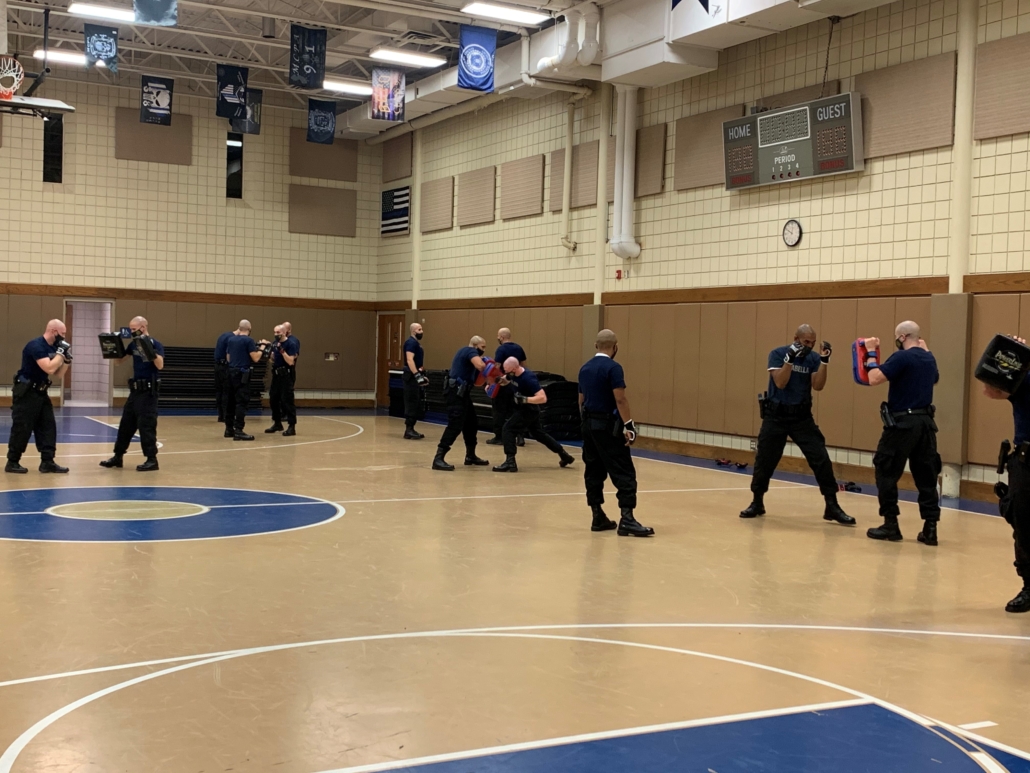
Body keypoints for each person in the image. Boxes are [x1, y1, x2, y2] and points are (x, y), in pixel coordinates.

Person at [740, 324, 854, 525]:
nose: (809, 346)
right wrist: (789, 360)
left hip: (801, 417)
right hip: (776, 416)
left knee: (820, 458)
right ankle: (757, 501)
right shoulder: (777, 354)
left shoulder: (812, 359)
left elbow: (818, 386)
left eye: (812, 342)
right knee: (765, 459)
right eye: (805, 342)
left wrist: (824, 362)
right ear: (796, 338)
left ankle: (832, 505)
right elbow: (780, 382)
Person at [860, 321, 941, 545]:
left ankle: (891, 524)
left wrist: (870, 354)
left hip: (902, 424)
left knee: (886, 470)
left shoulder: (901, 357)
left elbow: (874, 378)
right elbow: (934, 379)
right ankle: (930, 528)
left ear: (902, 337)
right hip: (926, 424)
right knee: (927, 476)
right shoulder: (929, 357)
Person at [577, 330, 653, 537]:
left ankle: (597, 515)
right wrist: (629, 425)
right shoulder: (613, 368)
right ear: (615, 346)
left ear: (596, 345)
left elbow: (581, 400)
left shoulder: (584, 368)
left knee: (593, 470)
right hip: (607, 427)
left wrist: (585, 425)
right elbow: (620, 399)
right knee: (623, 470)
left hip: (588, 425)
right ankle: (627, 518)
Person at [979, 335, 1030, 613]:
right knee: (1024, 524)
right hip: (1026, 461)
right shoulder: (1025, 372)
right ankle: (1029, 585)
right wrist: (1006, 358)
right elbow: (990, 390)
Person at [6, 319, 72, 474]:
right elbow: (49, 368)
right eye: (62, 334)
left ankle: (47, 462)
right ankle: (12, 461)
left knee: (48, 427)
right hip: (27, 393)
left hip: (41, 392)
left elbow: (59, 373)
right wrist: (60, 355)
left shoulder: (54, 348)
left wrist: (67, 359)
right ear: (54, 331)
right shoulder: (36, 346)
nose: (63, 337)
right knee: (22, 428)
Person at [100, 316, 164, 472]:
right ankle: (118, 456)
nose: (132, 332)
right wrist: (113, 347)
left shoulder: (155, 343)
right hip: (135, 391)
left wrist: (150, 350)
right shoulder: (134, 344)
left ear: (143, 327)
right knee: (125, 425)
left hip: (148, 392)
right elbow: (118, 361)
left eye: (134, 329)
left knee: (146, 426)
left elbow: (160, 365)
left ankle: (151, 459)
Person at [492, 357, 575, 473]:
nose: (506, 373)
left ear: (515, 368)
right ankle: (564, 455)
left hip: (528, 410)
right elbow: (508, 379)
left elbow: (543, 398)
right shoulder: (512, 373)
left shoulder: (528, 378)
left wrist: (525, 400)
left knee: (507, 429)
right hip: (523, 409)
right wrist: (501, 381)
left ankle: (510, 461)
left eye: (508, 371)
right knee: (539, 434)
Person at [432, 336, 491, 471]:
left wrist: (490, 380)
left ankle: (470, 455)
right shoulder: (469, 351)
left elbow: (477, 382)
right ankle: (438, 458)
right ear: (475, 346)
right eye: (482, 347)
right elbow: (481, 366)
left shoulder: (470, 357)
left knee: (471, 423)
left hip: (463, 393)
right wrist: (490, 367)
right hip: (455, 393)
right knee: (455, 423)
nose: (483, 350)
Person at [224, 320, 267, 441]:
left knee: (230, 402)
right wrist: (262, 347)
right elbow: (256, 358)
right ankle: (239, 430)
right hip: (242, 375)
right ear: (249, 329)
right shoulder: (249, 340)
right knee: (241, 402)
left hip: (230, 372)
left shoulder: (231, 339)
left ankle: (228, 429)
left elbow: (228, 357)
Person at [487, 328, 526, 448]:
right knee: (515, 409)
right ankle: (520, 435)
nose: (497, 338)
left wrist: (493, 382)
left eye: (498, 336)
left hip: (503, 384)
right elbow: (523, 365)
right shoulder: (519, 348)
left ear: (502, 337)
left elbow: (497, 367)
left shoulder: (501, 349)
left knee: (499, 409)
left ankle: (499, 436)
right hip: (516, 383)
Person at [265, 324, 299, 437]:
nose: (276, 335)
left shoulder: (291, 344)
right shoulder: (274, 343)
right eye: (274, 332)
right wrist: (269, 354)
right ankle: (277, 422)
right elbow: (273, 360)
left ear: (284, 332)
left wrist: (282, 351)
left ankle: (291, 426)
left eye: (278, 332)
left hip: (286, 375)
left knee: (287, 400)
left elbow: (290, 361)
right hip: (276, 375)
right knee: (273, 399)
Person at [401, 322, 427, 440]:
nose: (421, 332)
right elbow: (410, 360)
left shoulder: (416, 344)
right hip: (411, 377)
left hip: (415, 375)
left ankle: (411, 428)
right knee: (411, 401)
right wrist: (417, 375)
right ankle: (409, 429)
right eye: (419, 329)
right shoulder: (411, 343)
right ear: (413, 331)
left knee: (416, 401)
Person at [214, 329, 233, 424]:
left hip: (217, 366)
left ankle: (221, 415)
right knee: (226, 391)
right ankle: (225, 415)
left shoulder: (223, 335)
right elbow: (228, 355)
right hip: (225, 367)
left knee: (219, 391)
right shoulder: (232, 339)